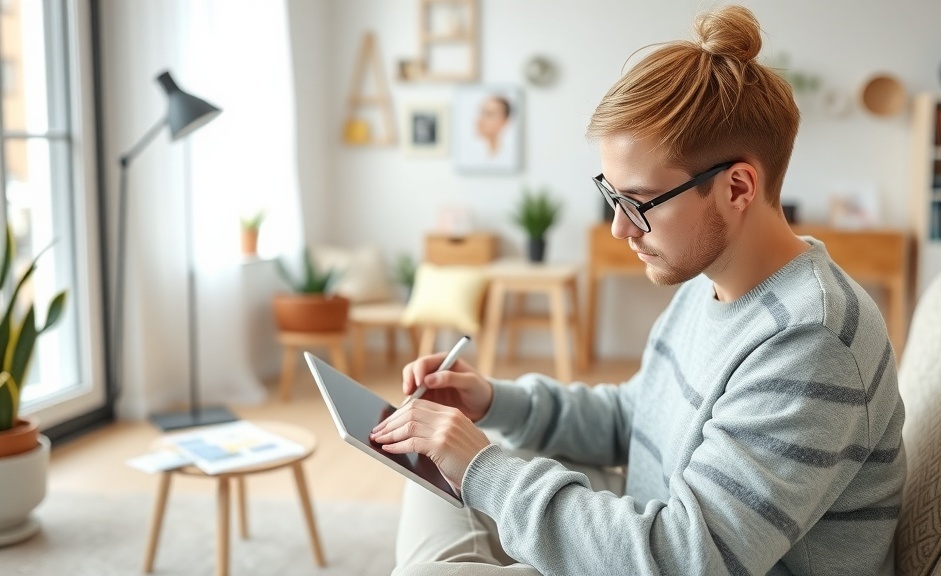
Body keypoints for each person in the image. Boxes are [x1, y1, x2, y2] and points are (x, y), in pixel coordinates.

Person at [372, 5, 906, 575]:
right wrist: (494, 401)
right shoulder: (719, 282)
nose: (621, 228)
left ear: (738, 186)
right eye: (612, 195)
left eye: (641, 202)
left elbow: (684, 559)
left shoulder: (810, 341)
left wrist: (482, 466)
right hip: (650, 514)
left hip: (669, 554)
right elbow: (638, 416)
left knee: (452, 512)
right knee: (430, 471)